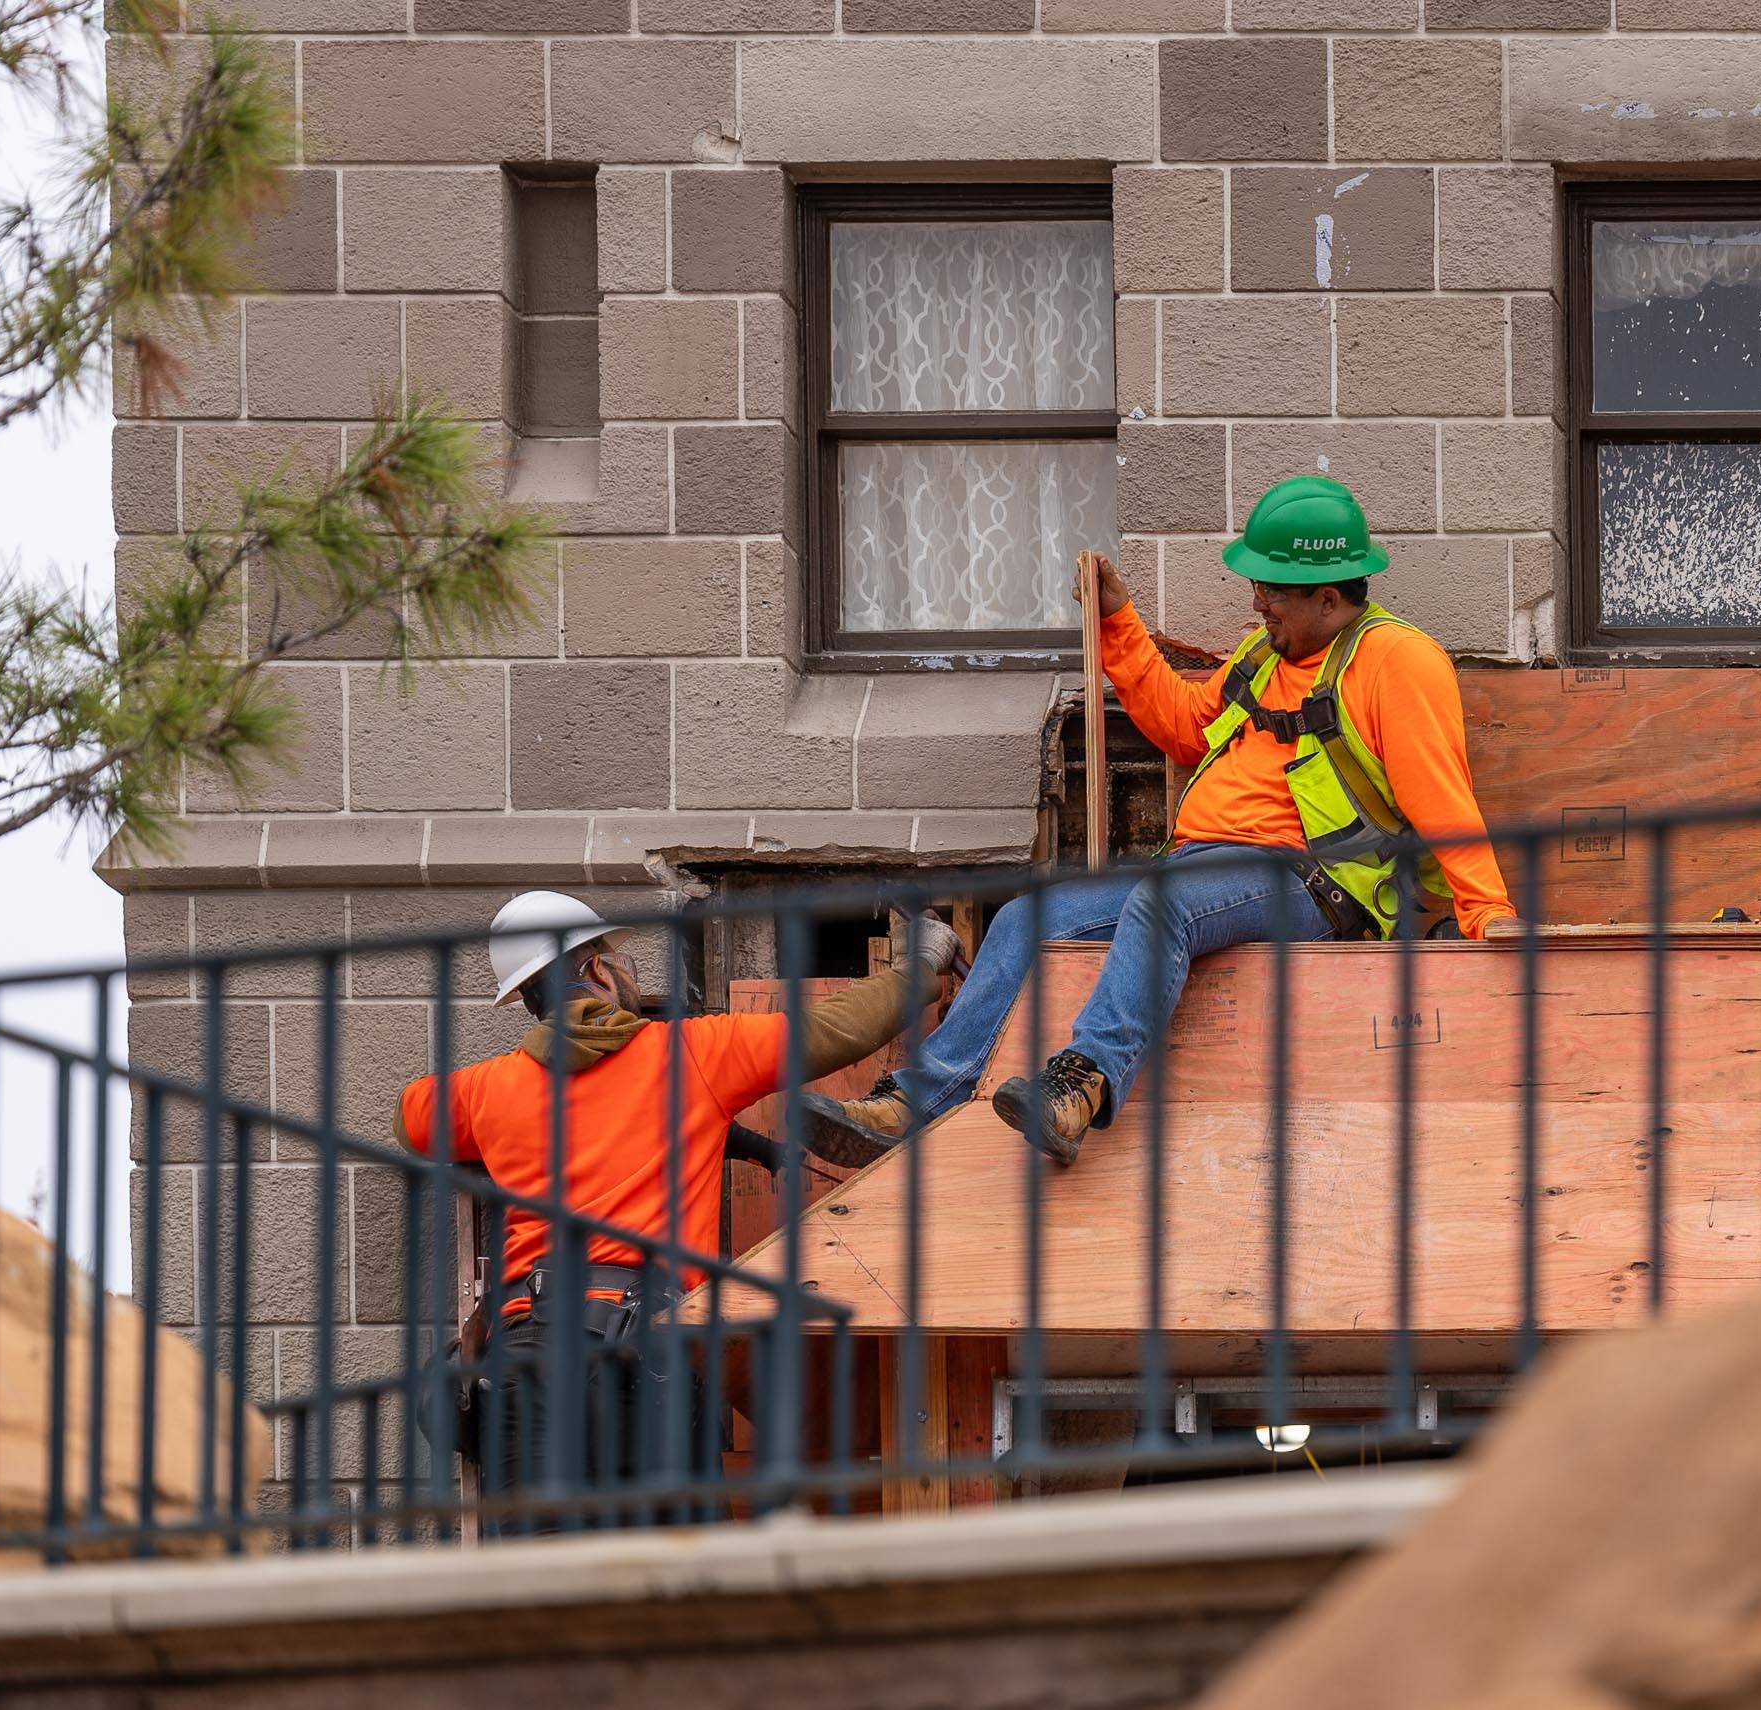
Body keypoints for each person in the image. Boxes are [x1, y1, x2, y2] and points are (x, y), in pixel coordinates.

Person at [823, 475, 1519, 1169]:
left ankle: (1081, 1084)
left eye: (1272, 590)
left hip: (1317, 885)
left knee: (1164, 905)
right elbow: (1185, 728)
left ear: (1329, 598)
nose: (1256, 602)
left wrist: (1486, 910)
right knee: (1023, 919)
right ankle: (917, 1100)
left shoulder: (1396, 661)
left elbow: (1440, 798)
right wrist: (1119, 623)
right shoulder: (1263, 655)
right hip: (1201, 870)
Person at [394, 889, 959, 1526]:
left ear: (525, 998)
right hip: (646, 1360)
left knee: (539, 1601)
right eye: (616, 960)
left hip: (527, 1367)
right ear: (598, 973)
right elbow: (837, 1030)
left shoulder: (486, 1090)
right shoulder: (690, 1054)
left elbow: (410, 1117)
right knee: (674, 1606)